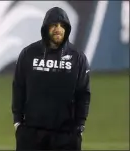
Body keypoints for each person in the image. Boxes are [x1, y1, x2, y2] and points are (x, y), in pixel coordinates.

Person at [12, 7, 91, 150]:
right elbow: (19, 87)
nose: (58, 29)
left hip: (66, 135)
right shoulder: (28, 54)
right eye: (54, 25)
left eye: (62, 26)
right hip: (31, 134)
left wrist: (80, 124)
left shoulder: (78, 58)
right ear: (45, 27)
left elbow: (83, 93)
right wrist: (17, 121)